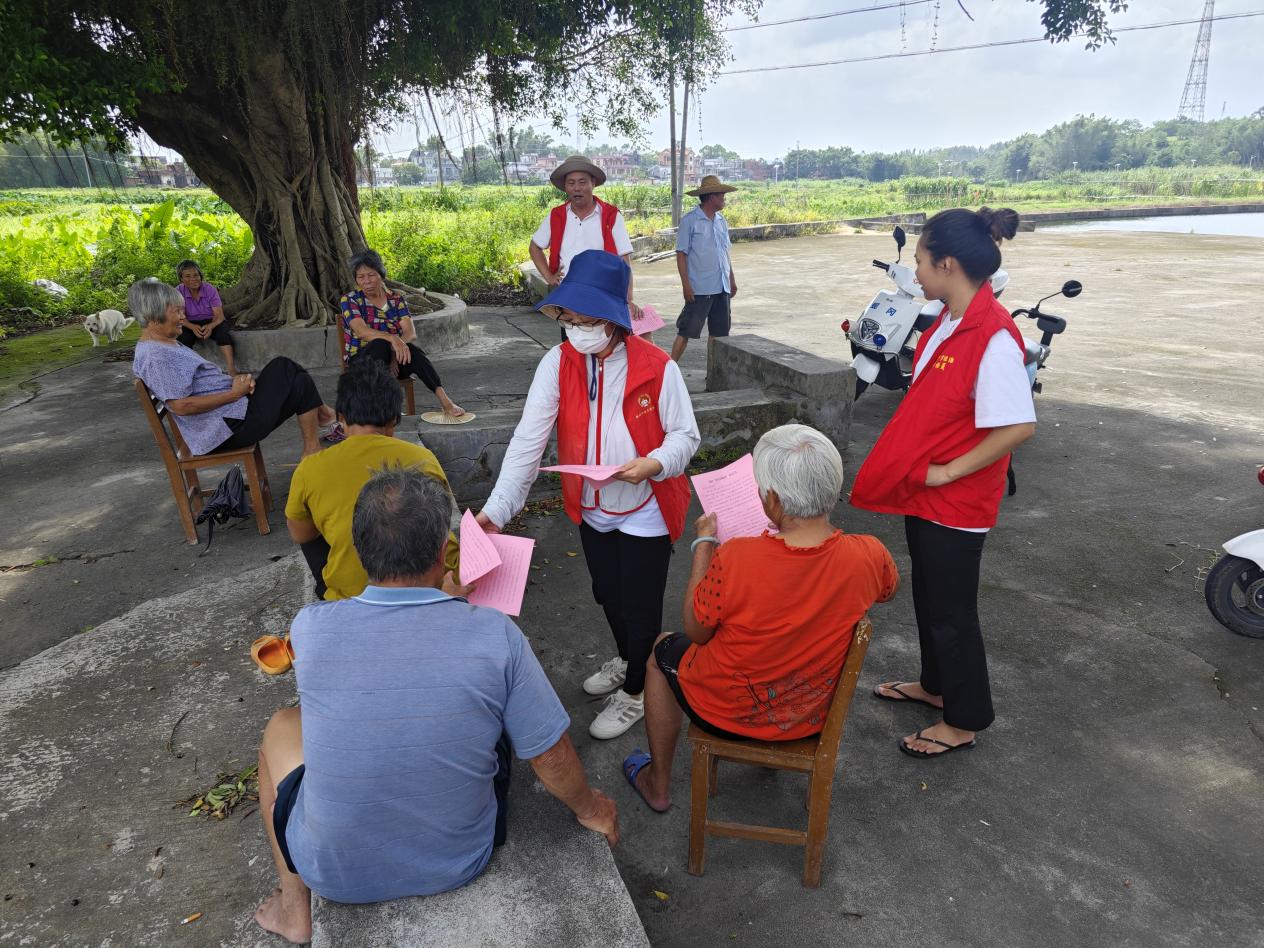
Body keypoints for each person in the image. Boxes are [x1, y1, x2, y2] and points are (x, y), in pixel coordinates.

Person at [254, 469, 619, 944]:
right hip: (458, 861)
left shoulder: (311, 627)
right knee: (495, 716)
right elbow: (548, 755)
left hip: (332, 874)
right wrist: (591, 809)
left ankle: (293, 909)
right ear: (443, 551)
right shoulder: (496, 633)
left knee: (280, 726)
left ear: (359, 550)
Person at [476, 250, 700, 740]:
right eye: (569, 319)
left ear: (614, 319)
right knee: (607, 593)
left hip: (645, 507)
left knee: (640, 605)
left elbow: (686, 436)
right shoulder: (557, 364)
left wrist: (655, 463)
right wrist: (497, 511)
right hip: (593, 506)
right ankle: (628, 658)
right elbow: (528, 442)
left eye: (587, 320)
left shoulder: (658, 367)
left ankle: (637, 691)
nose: (576, 330)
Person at [623, 424, 899, 811]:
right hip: (808, 715)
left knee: (659, 650)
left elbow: (696, 631)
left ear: (772, 499)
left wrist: (705, 544)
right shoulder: (869, 554)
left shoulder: (737, 557)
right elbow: (887, 591)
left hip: (727, 714)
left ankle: (658, 784)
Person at [849, 206, 1034, 759]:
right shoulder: (949, 318)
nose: (917, 271)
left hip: (956, 500)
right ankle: (935, 685)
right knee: (930, 596)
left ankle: (964, 718)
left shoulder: (992, 335)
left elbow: (1018, 425)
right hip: (926, 491)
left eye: (922, 261)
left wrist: (950, 471)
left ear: (947, 264)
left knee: (953, 611)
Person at [285, 359, 460, 601]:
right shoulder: (424, 458)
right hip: (433, 588)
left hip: (351, 597)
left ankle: (337, 588)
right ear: (394, 420)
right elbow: (442, 524)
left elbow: (301, 535)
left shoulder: (310, 468)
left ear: (341, 417)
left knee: (309, 526)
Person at [130, 278, 336, 460]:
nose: (183, 317)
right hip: (225, 429)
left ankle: (312, 449)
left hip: (231, 414)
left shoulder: (164, 344)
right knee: (283, 367)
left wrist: (236, 384)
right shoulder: (155, 356)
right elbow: (181, 406)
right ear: (154, 317)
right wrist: (233, 393)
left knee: (299, 382)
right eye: (177, 311)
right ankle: (325, 418)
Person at [339, 249, 466, 420]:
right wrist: (392, 339)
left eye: (371, 275)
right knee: (379, 343)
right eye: (361, 277)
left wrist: (392, 354)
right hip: (363, 365)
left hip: (393, 365)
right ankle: (384, 406)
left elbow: (410, 333)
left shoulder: (396, 300)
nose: (366, 281)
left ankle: (446, 402)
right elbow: (362, 332)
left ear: (381, 275)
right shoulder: (351, 300)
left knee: (413, 351)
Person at [528, 155, 640, 333]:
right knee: (570, 344)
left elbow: (624, 261)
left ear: (593, 183)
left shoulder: (611, 216)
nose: (577, 188)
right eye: (571, 183)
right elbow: (535, 247)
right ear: (565, 187)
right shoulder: (556, 216)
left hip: (603, 297)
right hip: (568, 299)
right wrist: (549, 277)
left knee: (603, 345)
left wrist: (628, 299)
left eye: (582, 182)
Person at [670, 175, 738, 363]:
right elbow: (681, 254)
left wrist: (731, 280)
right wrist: (686, 285)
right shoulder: (690, 221)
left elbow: (724, 253)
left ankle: (713, 373)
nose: (724, 197)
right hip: (699, 288)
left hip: (721, 287)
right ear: (711, 196)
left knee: (719, 335)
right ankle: (668, 371)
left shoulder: (721, 221)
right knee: (685, 331)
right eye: (721, 194)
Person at [175, 259, 237, 374]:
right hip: (189, 323)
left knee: (223, 334)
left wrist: (210, 326)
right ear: (181, 279)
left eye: (196, 275)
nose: (193, 279)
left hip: (212, 321)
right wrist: (193, 327)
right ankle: (188, 370)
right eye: (187, 276)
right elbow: (179, 317)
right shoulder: (178, 292)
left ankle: (231, 368)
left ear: (200, 275)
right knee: (183, 337)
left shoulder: (209, 289)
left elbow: (219, 316)